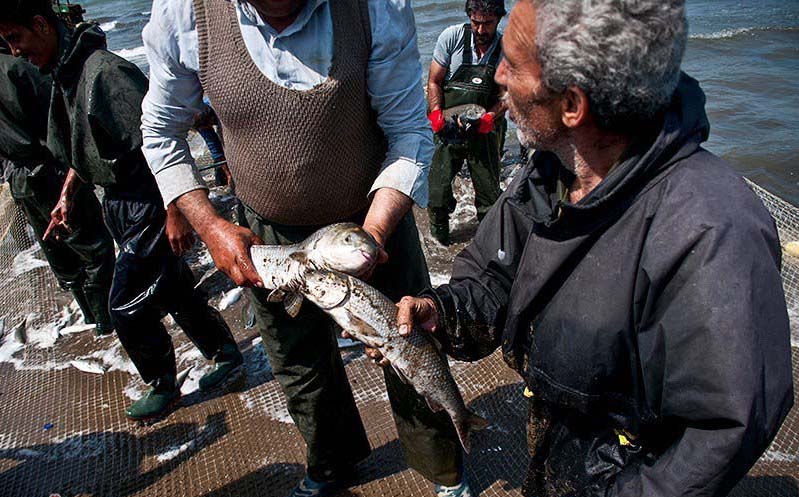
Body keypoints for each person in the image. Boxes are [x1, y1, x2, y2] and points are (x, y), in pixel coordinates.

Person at [395, 1, 794, 495]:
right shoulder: (548, 171)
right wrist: (442, 310)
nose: (497, 76)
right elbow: (493, 276)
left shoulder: (712, 233)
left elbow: (722, 431)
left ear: (571, 106)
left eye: (514, 65)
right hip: (558, 457)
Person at [140, 0, 471, 495]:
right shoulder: (182, 13)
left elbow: (408, 129)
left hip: (371, 217)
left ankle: (445, 468)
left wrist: (374, 235)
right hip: (265, 235)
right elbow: (160, 131)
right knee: (298, 363)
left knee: (409, 345)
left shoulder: (375, 7)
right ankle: (331, 463)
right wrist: (211, 228)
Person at [0, 1, 244, 422]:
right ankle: (224, 353)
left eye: (15, 39)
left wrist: (176, 210)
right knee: (171, 286)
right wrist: (67, 195)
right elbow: (85, 145)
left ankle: (162, 383)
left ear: (40, 24)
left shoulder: (106, 73)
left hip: (145, 199)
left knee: (124, 304)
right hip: (118, 201)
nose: (15, 51)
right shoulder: (67, 74)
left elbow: (158, 144)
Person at [0, 39, 115, 335]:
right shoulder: (19, 68)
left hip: (19, 178)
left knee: (56, 247)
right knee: (93, 244)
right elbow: (59, 118)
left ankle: (90, 316)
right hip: (51, 170)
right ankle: (107, 319)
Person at [426, 0, 507, 245]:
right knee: (437, 194)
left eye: (488, 24)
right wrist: (437, 115)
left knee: (490, 197)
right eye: (476, 23)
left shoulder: (505, 48)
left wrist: (490, 117)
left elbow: (507, 95)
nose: (481, 30)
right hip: (449, 127)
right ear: (469, 17)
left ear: (499, 19)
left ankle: (489, 247)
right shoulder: (451, 37)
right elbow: (434, 82)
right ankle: (439, 246)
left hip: (484, 127)